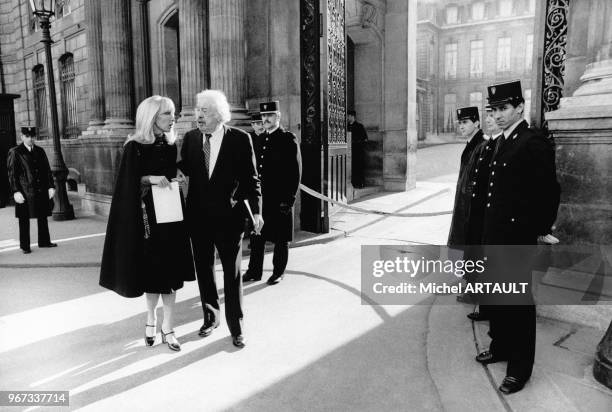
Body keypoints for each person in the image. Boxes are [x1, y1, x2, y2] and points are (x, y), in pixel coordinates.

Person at [474, 80, 560, 394]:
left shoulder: (532, 141)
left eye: (503, 108)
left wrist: (535, 231)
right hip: (495, 236)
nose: (496, 114)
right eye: (493, 109)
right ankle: (501, 347)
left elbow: (549, 193)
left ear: (519, 107)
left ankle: (519, 369)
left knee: (519, 306)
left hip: (516, 238)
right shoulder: (502, 140)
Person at [99, 96, 195, 352]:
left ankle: (169, 326)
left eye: (173, 113)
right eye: (166, 113)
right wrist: (150, 178)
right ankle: (151, 318)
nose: (172, 118)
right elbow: (126, 184)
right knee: (154, 274)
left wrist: (181, 181)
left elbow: (177, 174)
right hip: (147, 220)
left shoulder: (172, 143)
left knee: (172, 275)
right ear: (152, 116)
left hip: (172, 217)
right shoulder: (135, 146)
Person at [177, 89, 263, 348]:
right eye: (197, 111)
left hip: (229, 219)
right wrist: (178, 174)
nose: (198, 116)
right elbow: (185, 166)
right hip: (198, 218)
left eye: (204, 112)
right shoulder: (191, 139)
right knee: (204, 269)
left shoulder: (239, 139)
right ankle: (210, 317)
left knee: (232, 273)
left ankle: (236, 326)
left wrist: (257, 212)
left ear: (218, 115)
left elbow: (252, 179)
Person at [243, 101, 302, 285]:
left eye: (269, 115)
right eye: (263, 116)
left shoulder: (287, 138)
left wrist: (289, 200)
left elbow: (295, 172)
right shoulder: (259, 139)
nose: (265, 119)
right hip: (262, 199)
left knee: (281, 238)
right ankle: (254, 271)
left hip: (280, 199)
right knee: (257, 235)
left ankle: (278, 271)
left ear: (278, 117)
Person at [447, 106, 486, 305]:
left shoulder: (482, 145)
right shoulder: (473, 144)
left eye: (465, 122)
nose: (461, 126)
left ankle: (474, 291)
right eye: (460, 123)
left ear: (477, 123)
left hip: (473, 210)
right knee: (468, 249)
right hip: (465, 207)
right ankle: (469, 284)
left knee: (473, 250)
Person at [7, 126, 56, 254]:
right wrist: (15, 191)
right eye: (27, 136)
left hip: (40, 188)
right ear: (22, 137)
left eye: (32, 136)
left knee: (43, 215)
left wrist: (51, 186)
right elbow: (12, 174)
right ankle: (25, 245)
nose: (30, 139)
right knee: (24, 218)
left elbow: (47, 170)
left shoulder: (40, 151)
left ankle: (44, 241)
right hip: (25, 190)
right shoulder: (16, 152)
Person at [347, 110, 368, 188]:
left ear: (352, 116)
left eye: (348, 116)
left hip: (358, 151)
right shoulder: (346, 126)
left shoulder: (359, 126)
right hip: (349, 152)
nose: (347, 118)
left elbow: (365, 139)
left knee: (358, 168)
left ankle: (359, 184)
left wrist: (356, 142)